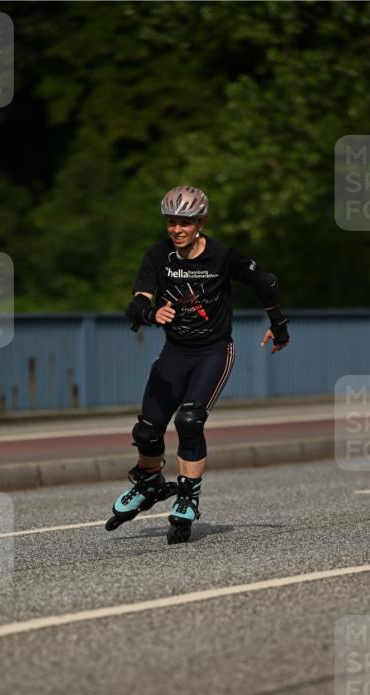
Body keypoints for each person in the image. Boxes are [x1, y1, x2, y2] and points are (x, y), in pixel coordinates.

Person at [105, 185, 290, 544]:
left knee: (189, 420)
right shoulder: (158, 256)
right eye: (171, 222)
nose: (177, 230)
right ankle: (149, 483)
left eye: (185, 223)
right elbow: (136, 303)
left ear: (200, 222)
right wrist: (150, 312)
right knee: (146, 431)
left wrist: (278, 325)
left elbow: (265, 280)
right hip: (175, 352)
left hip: (213, 351)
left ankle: (188, 495)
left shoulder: (221, 256)